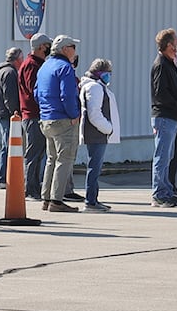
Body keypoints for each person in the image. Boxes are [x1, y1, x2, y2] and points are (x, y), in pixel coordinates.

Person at [36, 34, 82, 212]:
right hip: (63, 119)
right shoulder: (65, 68)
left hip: (46, 118)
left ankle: (46, 198)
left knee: (51, 159)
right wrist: (74, 114)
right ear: (65, 49)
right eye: (73, 47)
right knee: (65, 159)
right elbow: (68, 94)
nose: (75, 51)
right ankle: (56, 200)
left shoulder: (45, 66)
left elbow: (36, 93)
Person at [150, 28, 177, 207]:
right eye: (176, 44)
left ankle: (166, 190)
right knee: (162, 156)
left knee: (168, 155)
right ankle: (159, 194)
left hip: (172, 117)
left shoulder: (169, 63)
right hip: (165, 116)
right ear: (168, 45)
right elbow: (161, 93)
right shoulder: (161, 65)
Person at [77, 58, 118, 211]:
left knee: (95, 166)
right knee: (94, 167)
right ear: (99, 73)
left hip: (98, 132)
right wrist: (108, 128)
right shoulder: (94, 88)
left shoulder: (96, 86)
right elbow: (94, 113)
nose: (109, 76)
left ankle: (94, 199)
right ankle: (91, 201)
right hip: (97, 133)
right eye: (108, 73)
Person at [16, 35, 52, 198]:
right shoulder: (32, 65)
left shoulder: (37, 64)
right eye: (47, 45)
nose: (49, 48)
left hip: (36, 114)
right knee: (34, 153)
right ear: (39, 47)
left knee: (38, 154)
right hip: (33, 115)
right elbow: (34, 90)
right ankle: (30, 189)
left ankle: (34, 187)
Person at [0, 47, 23, 187]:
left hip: (1, 113)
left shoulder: (1, 71)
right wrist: (16, 112)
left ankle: (3, 177)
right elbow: (9, 97)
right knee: (9, 146)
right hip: (8, 114)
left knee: (6, 146)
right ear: (17, 59)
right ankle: (4, 178)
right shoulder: (10, 73)